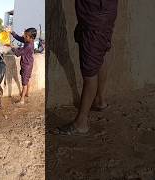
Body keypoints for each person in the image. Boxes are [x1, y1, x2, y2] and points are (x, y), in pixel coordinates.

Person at [57, 0, 119, 135]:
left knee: (89, 71)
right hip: (104, 12)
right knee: (101, 54)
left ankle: (81, 123)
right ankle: (99, 100)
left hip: (94, 17)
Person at [5, 28, 37, 105]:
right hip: (29, 64)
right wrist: (11, 32)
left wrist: (11, 46)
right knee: (27, 79)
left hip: (26, 66)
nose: (24, 37)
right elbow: (19, 38)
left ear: (31, 38)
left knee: (24, 84)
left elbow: (18, 53)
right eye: (24, 35)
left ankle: (22, 100)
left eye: (26, 36)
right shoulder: (28, 41)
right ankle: (27, 93)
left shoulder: (28, 46)